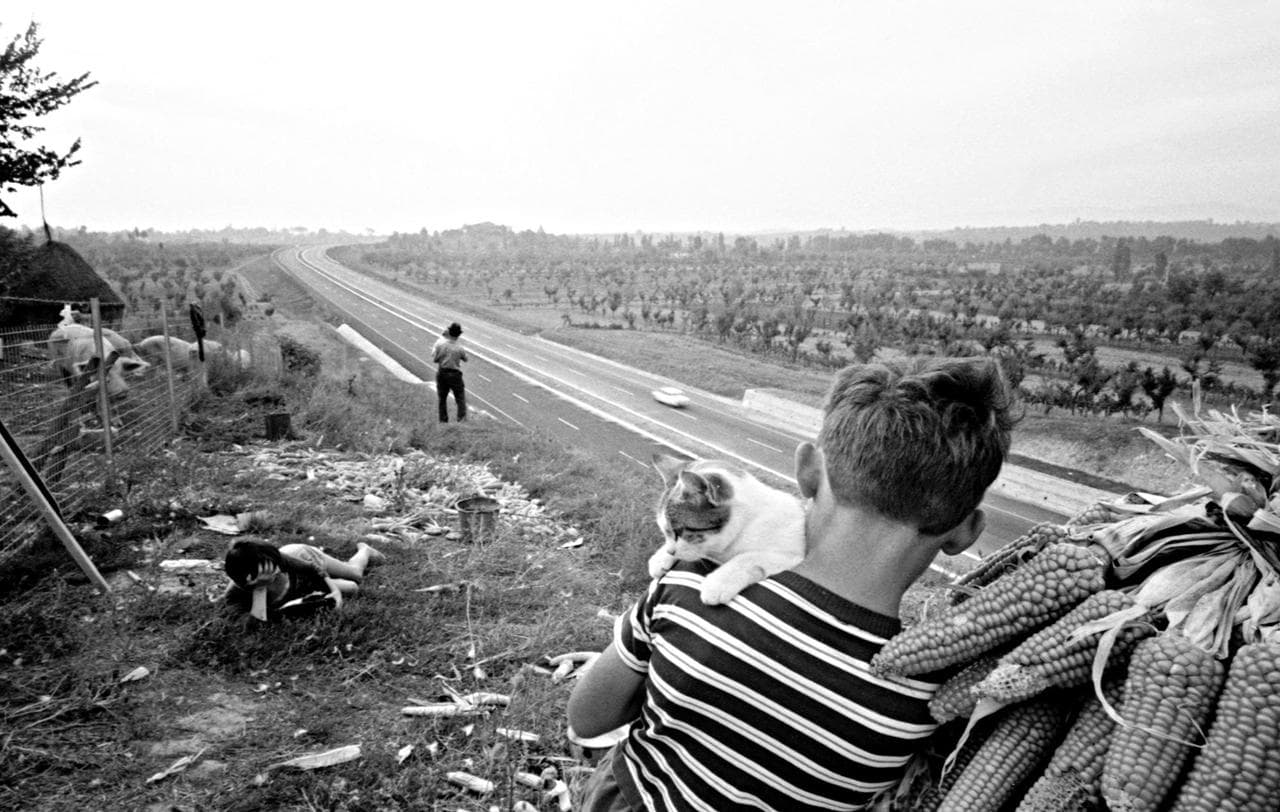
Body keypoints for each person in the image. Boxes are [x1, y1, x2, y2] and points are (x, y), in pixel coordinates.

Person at [568, 357, 1015, 811]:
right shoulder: (927, 701)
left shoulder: (687, 590)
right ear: (967, 531)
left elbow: (587, 718)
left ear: (807, 470)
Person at [224, 539, 385, 622]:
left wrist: (335, 593)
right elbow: (256, 625)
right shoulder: (235, 597)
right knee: (350, 587)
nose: (278, 571)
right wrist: (260, 589)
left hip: (302, 555)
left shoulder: (280, 560)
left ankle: (365, 550)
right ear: (248, 579)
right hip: (302, 587)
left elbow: (312, 568)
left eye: (276, 566)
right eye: (270, 573)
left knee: (354, 578)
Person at [432, 322, 469, 423]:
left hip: (442, 372)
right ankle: (461, 420)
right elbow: (466, 359)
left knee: (442, 398)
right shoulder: (459, 348)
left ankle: (443, 420)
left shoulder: (440, 345)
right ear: (458, 335)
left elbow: (435, 359)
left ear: (449, 332)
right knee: (460, 398)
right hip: (455, 374)